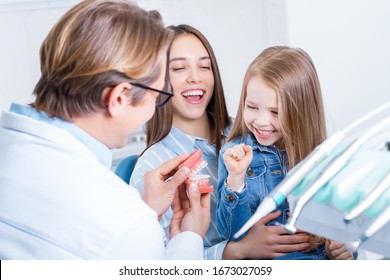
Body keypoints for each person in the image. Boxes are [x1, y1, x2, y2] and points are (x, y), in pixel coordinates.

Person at [0, 0, 210, 259]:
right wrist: (187, 240)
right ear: (119, 98)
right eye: (158, 95)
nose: (154, 109)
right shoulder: (125, 228)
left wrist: (143, 210)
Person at [129, 25, 323, 260]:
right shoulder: (152, 170)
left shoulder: (256, 133)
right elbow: (156, 263)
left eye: (204, 66)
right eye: (179, 68)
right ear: (157, 81)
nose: (195, 77)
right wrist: (235, 251)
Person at [216, 46, 356, 260]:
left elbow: (344, 230)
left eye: (275, 112)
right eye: (252, 107)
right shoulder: (236, 157)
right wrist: (236, 180)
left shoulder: (324, 158)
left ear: (301, 111)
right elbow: (232, 235)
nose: (261, 121)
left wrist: (340, 249)